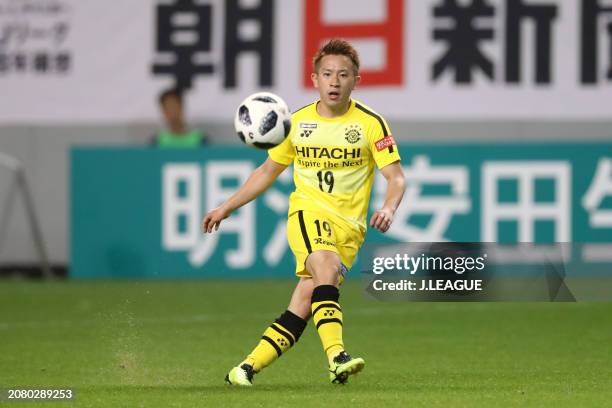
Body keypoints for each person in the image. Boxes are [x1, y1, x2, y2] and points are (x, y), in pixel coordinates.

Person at [202, 39, 406, 385]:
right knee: (323, 265)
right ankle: (337, 357)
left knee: (306, 298)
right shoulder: (295, 123)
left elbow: (395, 177)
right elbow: (267, 171)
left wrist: (388, 206)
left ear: (356, 80)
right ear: (315, 79)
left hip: (351, 229)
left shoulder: (372, 124)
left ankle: (245, 369)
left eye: (343, 74)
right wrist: (227, 206)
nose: (335, 81)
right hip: (307, 214)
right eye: (327, 74)